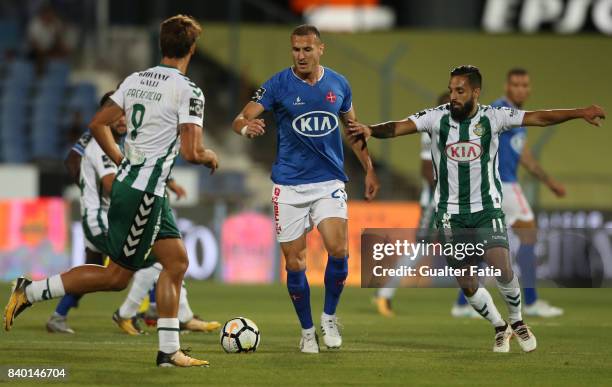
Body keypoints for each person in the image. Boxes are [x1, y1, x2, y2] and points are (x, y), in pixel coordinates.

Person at [5, 15, 218, 367]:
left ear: (161, 44)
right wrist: (210, 155)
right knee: (116, 277)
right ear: (192, 49)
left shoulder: (135, 80)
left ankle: (169, 350)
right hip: (144, 195)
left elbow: (97, 123)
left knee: (177, 262)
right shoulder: (189, 90)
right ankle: (29, 292)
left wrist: (121, 158)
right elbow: (192, 152)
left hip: (144, 192)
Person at [348, 65, 605, 352]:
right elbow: (398, 126)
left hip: (486, 209)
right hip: (450, 214)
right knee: (468, 282)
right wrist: (371, 129)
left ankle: (518, 321)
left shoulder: (493, 117)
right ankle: (499, 326)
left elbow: (540, 118)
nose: (453, 96)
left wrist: (579, 112)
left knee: (502, 267)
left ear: (475, 93)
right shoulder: (437, 117)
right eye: (451, 89)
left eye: (460, 91)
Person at [231, 24, 379, 353]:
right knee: (295, 263)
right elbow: (239, 118)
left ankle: (329, 317)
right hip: (289, 185)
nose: (301, 55)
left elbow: (353, 130)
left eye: (307, 49)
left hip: (329, 181)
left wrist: (369, 168)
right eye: (296, 49)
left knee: (337, 247)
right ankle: (308, 330)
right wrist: (246, 128)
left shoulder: (339, 84)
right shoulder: (277, 85)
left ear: (320, 49)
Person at [49, 119, 220, 335]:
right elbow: (103, 178)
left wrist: (169, 181)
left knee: (100, 269)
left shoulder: (126, 139)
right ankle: (142, 312)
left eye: (125, 115)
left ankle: (59, 315)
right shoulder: (98, 142)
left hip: (113, 216)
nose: (123, 119)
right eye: (118, 115)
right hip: (104, 218)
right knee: (154, 258)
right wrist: (90, 188)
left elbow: (140, 166)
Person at [452, 68, 565, 318]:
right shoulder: (498, 112)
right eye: (516, 84)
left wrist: (549, 181)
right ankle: (532, 301)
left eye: (525, 85)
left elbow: (524, 156)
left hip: (497, 186)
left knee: (485, 244)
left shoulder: (515, 117)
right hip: (502, 184)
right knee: (528, 234)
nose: (521, 89)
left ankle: (463, 303)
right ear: (507, 86)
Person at [374, 91, 450, 318]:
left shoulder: (462, 131)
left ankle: (470, 303)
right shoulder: (432, 132)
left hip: (456, 203)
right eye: (446, 106)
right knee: (421, 249)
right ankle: (384, 293)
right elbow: (427, 171)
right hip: (435, 203)